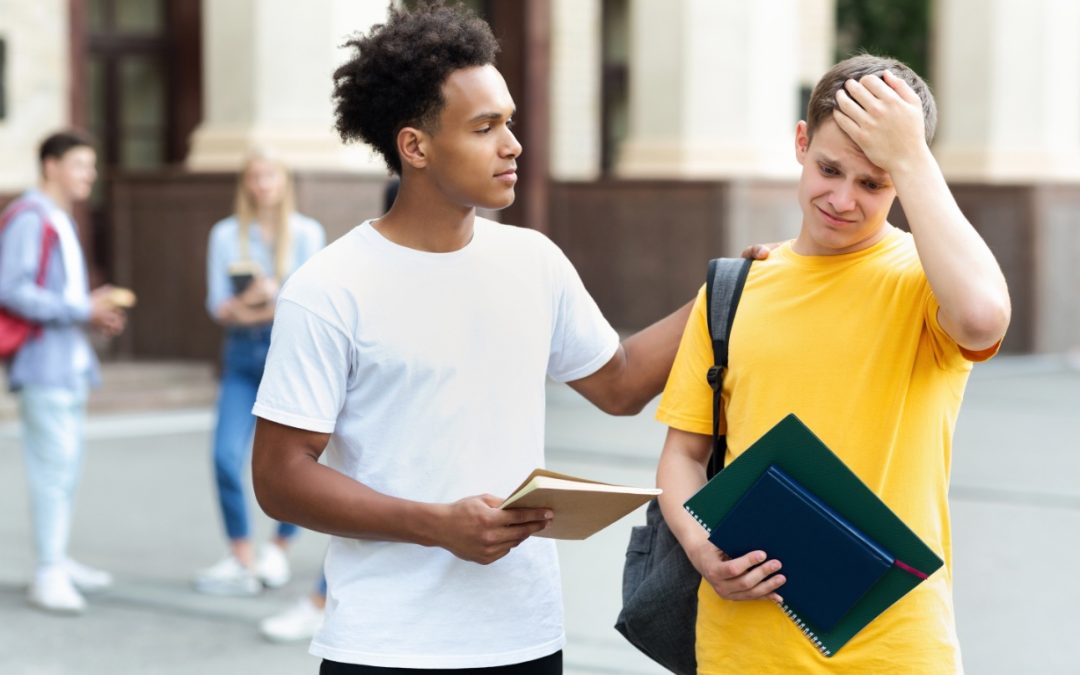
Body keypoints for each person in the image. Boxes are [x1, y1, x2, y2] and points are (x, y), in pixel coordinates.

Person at [248, 2, 701, 672]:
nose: (512, 144)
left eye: (509, 122)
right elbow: (280, 477)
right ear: (416, 146)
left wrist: (726, 294)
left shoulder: (534, 261)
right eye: (485, 127)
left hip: (526, 637)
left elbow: (620, 381)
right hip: (386, 645)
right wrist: (436, 523)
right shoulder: (329, 287)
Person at [655, 54, 1011, 673]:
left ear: (904, 179)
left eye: (873, 182)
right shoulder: (733, 290)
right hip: (744, 645)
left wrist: (912, 157)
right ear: (800, 142)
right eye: (828, 169)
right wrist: (699, 546)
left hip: (896, 646)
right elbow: (684, 454)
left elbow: (982, 318)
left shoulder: (925, 284)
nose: (843, 199)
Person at [0, 130, 127, 613]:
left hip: (68, 364)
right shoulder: (31, 218)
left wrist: (91, 310)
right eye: (79, 165)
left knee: (65, 468)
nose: (88, 175)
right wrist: (81, 309)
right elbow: (11, 289)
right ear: (51, 165)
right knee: (52, 470)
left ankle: (57, 559)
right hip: (43, 365)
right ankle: (48, 572)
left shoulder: (58, 217)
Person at [194, 149, 326, 596]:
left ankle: (279, 549)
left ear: (284, 181)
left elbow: (305, 304)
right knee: (224, 457)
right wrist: (265, 303)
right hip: (241, 358)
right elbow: (219, 307)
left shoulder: (308, 233)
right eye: (254, 176)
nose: (262, 184)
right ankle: (240, 554)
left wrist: (259, 303)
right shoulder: (226, 234)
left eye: (270, 175)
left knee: (288, 463)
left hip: (287, 357)